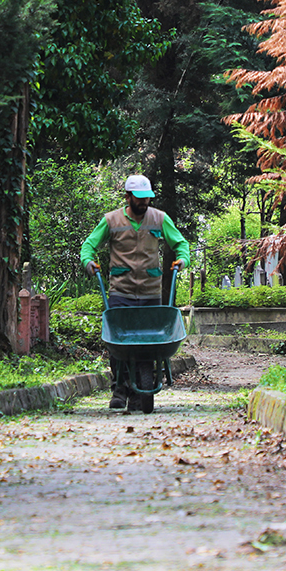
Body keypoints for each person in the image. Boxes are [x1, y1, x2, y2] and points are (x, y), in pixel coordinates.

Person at [80, 175, 190, 409]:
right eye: (139, 198)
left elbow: (180, 243)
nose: (144, 203)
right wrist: (88, 262)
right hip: (121, 290)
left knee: (149, 342)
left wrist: (183, 259)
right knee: (118, 340)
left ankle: (142, 388)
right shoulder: (111, 220)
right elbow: (89, 245)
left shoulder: (159, 218)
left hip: (150, 291)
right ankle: (119, 388)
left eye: (147, 198)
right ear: (128, 196)